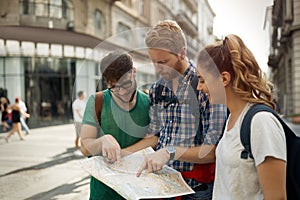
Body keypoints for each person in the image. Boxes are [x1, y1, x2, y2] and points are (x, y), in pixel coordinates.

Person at [134, 20, 227, 200]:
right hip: (160, 186)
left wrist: (170, 151)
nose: (157, 68)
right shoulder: (156, 89)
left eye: (163, 61)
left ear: (182, 53)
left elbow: (214, 150)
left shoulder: (205, 86)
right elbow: (154, 137)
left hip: (195, 192)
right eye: (153, 61)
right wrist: (123, 155)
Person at [196, 34, 286, 200]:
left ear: (224, 78)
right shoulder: (231, 119)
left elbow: (277, 197)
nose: (199, 87)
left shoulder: (261, 122)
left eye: (202, 80)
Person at [80, 51, 152, 199]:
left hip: (139, 190)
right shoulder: (97, 101)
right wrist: (102, 140)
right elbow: (85, 148)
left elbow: (155, 139)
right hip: (103, 193)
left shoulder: (148, 103)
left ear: (134, 72)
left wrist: (124, 153)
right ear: (107, 82)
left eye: (126, 84)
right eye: (114, 87)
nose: (122, 91)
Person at [72, 91, 86, 156]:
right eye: (84, 94)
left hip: (82, 121)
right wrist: (83, 118)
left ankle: (79, 149)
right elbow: (77, 112)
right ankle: (79, 149)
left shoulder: (82, 102)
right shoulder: (76, 102)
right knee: (80, 136)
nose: (85, 95)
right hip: (78, 121)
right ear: (81, 95)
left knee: (80, 136)